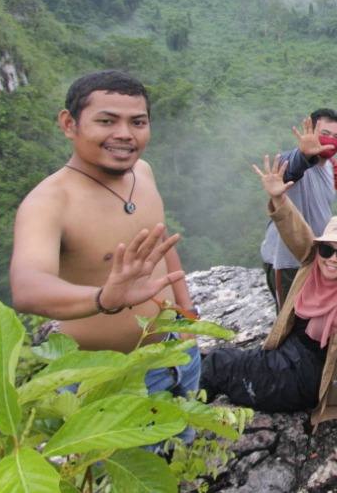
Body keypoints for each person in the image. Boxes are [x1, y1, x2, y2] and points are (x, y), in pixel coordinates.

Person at [10, 70, 199, 404]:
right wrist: (103, 298)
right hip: (108, 380)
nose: (124, 134)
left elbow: (160, 244)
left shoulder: (143, 172)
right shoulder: (49, 203)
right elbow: (27, 286)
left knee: (185, 443)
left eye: (138, 122)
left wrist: (187, 315)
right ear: (70, 124)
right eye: (107, 121)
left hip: (175, 352)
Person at [201, 155, 337, 422]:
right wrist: (280, 199)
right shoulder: (312, 265)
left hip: (310, 377)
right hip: (287, 356)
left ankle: (178, 423)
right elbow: (296, 230)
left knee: (217, 364)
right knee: (217, 361)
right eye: (327, 249)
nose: (333, 259)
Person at [261, 110, 337, 309]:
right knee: (289, 321)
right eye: (325, 133)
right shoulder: (296, 161)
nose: (331, 141)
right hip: (287, 261)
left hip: (315, 257)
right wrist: (305, 154)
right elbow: (291, 169)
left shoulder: (328, 167)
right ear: (310, 133)